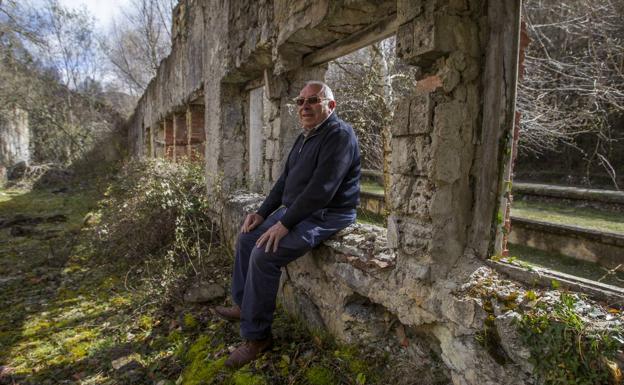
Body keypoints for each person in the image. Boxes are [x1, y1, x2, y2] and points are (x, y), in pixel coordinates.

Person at [214, 80, 361, 368]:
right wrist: (262, 212)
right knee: (248, 237)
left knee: (265, 254)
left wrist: (285, 224)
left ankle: (257, 338)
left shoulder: (339, 135)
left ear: (330, 105)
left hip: (328, 213)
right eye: (300, 101)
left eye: (313, 101)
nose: (304, 107)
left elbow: (322, 190)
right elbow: (284, 182)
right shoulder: (305, 136)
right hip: (299, 211)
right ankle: (245, 306)